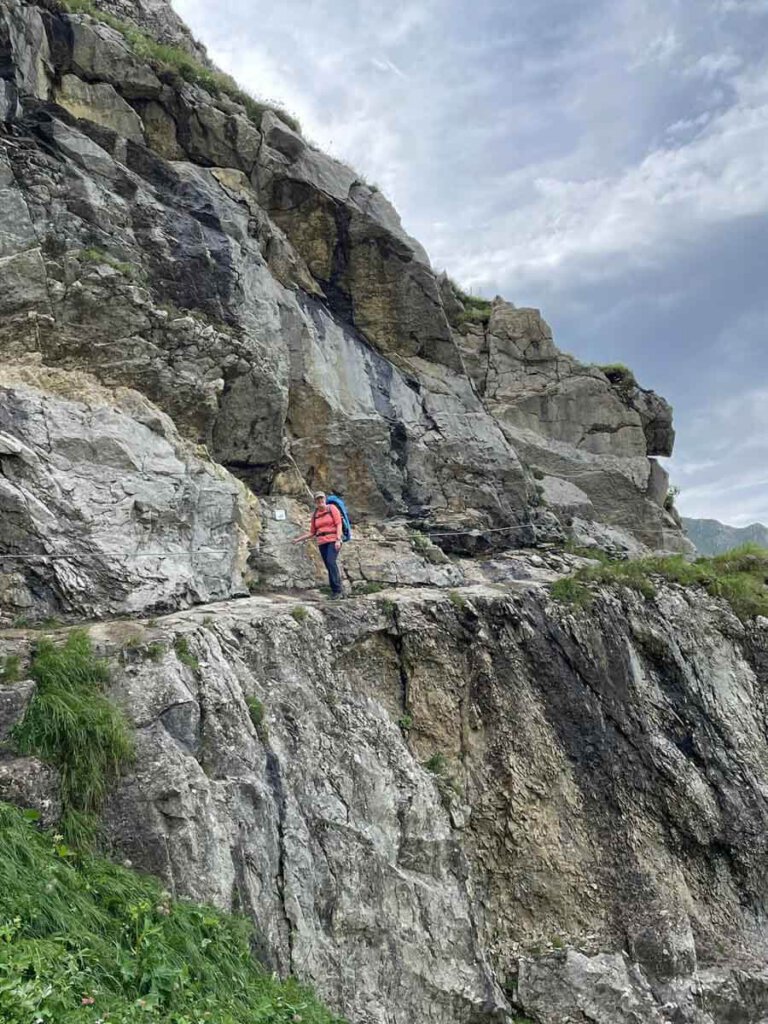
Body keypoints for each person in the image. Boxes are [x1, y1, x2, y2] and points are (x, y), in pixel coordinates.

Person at [292, 491, 344, 599]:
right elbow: (312, 532)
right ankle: (335, 591)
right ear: (315, 501)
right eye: (318, 499)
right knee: (329, 565)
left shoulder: (332, 508)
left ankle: (338, 591)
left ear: (325, 499)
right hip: (322, 542)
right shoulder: (315, 515)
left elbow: (339, 524)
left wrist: (338, 539)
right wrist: (297, 539)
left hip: (333, 540)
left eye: (322, 498)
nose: (320, 501)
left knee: (331, 562)